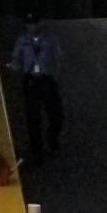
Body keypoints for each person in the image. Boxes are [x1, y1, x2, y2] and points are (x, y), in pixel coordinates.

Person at [9, 16, 64, 163]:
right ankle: (37, 149)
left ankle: (52, 138)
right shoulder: (22, 41)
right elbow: (16, 59)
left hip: (47, 79)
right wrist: (15, 66)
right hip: (31, 80)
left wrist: (55, 75)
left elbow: (58, 57)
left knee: (56, 114)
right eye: (28, 24)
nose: (31, 27)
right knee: (33, 116)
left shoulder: (51, 39)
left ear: (40, 23)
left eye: (34, 23)